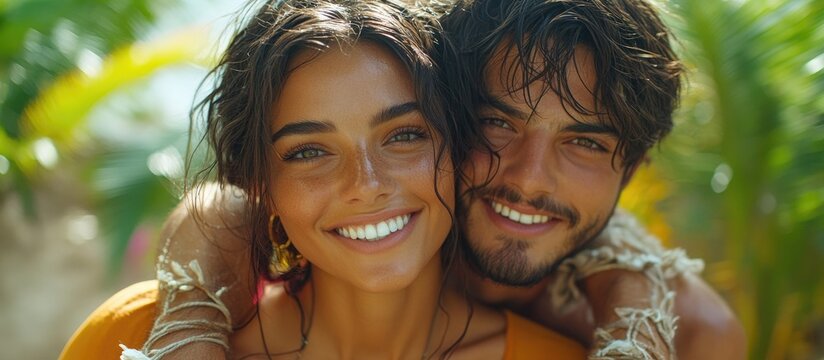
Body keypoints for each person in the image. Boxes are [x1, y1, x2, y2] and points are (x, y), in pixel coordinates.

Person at [72, 0, 748, 359]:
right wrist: (189, 325)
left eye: (585, 142)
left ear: (634, 168)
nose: (528, 178)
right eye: (497, 124)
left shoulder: (677, 332)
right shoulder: (151, 331)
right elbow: (225, 206)